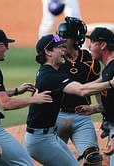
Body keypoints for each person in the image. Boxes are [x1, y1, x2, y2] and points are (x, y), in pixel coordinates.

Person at [24, 34, 114, 166]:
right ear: (48, 52)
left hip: (49, 135)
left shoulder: (50, 72)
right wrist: (111, 83)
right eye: (59, 48)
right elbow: (82, 90)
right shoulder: (51, 76)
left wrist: (105, 79)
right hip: (40, 139)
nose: (63, 50)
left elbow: (83, 87)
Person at [0, 28, 54, 166]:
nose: (7, 49)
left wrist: (16, 91)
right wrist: (34, 99)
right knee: (25, 163)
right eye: (5, 45)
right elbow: (5, 104)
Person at [55, 16, 103, 165]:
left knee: (94, 160)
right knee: (53, 160)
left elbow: (97, 89)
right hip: (56, 116)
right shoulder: (53, 60)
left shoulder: (90, 61)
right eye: (58, 37)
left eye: (65, 38)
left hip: (81, 118)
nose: (60, 41)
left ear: (76, 40)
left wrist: (99, 108)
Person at [75, 27, 114, 166]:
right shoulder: (108, 70)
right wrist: (95, 108)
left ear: (103, 45)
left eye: (92, 42)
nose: (89, 46)